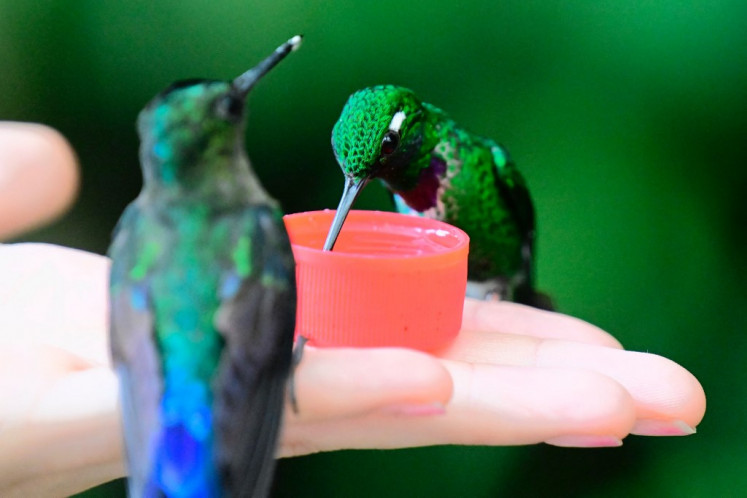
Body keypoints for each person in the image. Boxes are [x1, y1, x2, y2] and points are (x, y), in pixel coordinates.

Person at [0, 121, 706, 497]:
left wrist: (498, 283)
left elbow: (513, 227)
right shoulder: (397, 180)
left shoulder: (474, 160)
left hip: (493, 274)